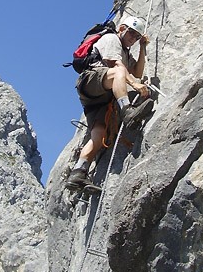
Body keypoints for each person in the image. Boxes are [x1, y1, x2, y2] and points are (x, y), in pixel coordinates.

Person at [66, 14, 154, 191]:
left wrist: (142, 47)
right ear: (122, 29)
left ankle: (78, 174)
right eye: (131, 34)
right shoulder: (111, 38)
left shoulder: (127, 52)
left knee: (99, 134)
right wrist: (135, 85)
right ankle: (127, 111)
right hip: (91, 79)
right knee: (119, 72)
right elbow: (116, 66)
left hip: (98, 97)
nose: (133, 39)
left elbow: (137, 71)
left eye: (137, 37)